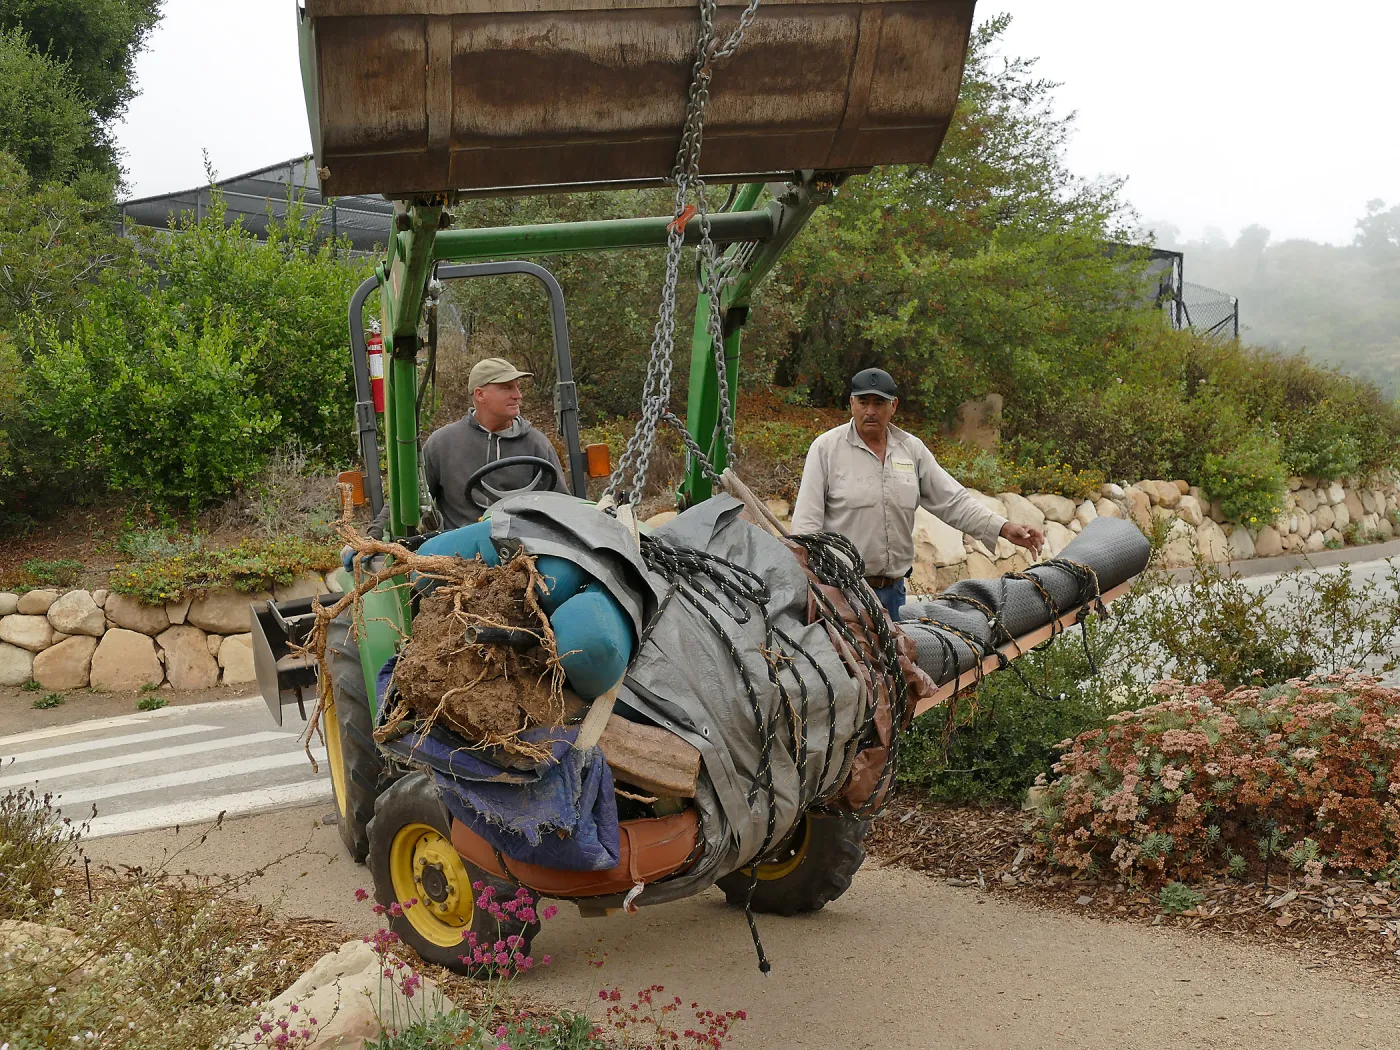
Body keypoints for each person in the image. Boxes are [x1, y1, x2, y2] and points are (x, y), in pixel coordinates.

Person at [790, 367, 1044, 620]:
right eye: (863, 402)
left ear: (894, 406)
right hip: (842, 593)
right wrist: (813, 588)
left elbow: (952, 500)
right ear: (851, 404)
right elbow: (806, 528)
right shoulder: (826, 449)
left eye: (879, 403)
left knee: (898, 659)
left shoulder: (911, 450)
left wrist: (1004, 527)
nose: (870, 411)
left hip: (893, 594)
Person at [368, 356, 568, 537]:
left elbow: (562, 505)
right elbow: (406, 499)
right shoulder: (443, 443)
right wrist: (372, 537)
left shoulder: (536, 443)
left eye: (517, 387)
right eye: (507, 388)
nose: (518, 395)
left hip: (522, 549)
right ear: (480, 394)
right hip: (459, 553)